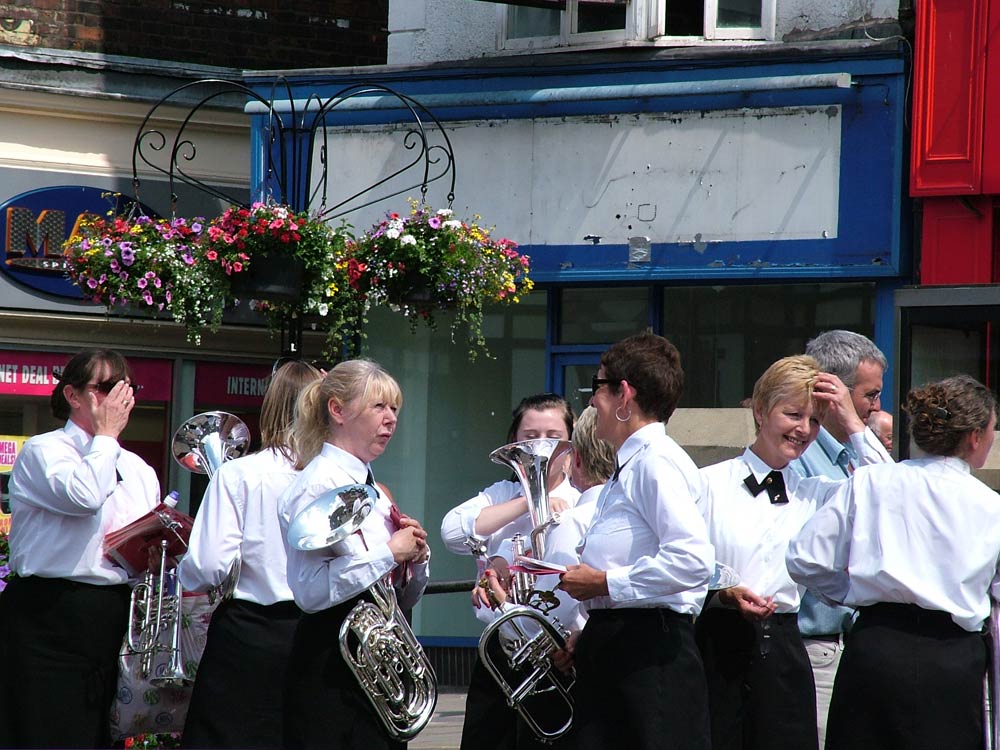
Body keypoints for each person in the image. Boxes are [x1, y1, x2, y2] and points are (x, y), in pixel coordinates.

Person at [786, 374, 1000, 750]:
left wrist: (853, 592)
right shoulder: (990, 506)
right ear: (975, 437)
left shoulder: (871, 481)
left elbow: (804, 558)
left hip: (876, 645)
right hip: (951, 658)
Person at [696, 355, 889, 750]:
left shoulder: (817, 493)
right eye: (793, 414)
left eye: (815, 420)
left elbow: (887, 490)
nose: (804, 430)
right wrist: (722, 593)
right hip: (715, 643)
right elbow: (686, 565)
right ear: (762, 412)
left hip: (785, 649)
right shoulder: (707, 483)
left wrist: (852, 421)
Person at [558, 332, 716, 750]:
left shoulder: (655, 462)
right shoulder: (633, 464)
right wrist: (596, 627)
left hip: (650, 656)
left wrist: (605, 584)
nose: (592, 402)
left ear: (623, 394)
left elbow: (693, 560)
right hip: (628, 647)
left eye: (597, 388)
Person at [0, 349, 157, 749]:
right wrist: (105, 437)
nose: (121, 398)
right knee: (44, 732)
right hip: (48, 614)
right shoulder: (44, 450)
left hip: (111, 612)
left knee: (99, 735)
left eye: (127, 388)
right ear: (72, 395)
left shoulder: (139, 468)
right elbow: (83, 496)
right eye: (106, 388)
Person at [276, 359, 430, 750]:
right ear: (338, 410)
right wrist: (388, 553)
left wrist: (415, 558)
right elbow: (309, 593)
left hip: (372, 664)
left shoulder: (370, 487)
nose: (391, 419)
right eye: (379, 407)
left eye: (394, 409)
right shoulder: (317, 484)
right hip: (333, 666)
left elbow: (401, 596)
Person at [178, 359, 322, 749]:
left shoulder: (237, 474)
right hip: (318, 633)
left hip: (248, 635)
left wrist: (182, 568)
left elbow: (208, 567)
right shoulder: (335, 478)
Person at [441, 392, 579, 750]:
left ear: (571, 441)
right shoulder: (502, 493)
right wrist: (531, 501)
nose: (540, 445)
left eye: (552, 435)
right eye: (529, 435)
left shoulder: (585, 497)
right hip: (503, 653)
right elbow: (452, 532)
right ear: (513, 442)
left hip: (563, 654)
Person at [474, 406, 616, 745]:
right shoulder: (617, 514)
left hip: (568, 679)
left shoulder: (574, 521)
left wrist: (501, 604)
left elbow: (548, 623)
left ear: (575, 459)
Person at [789, 329, 891, 749]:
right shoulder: (800, 456)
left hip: (855, 645)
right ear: (835, 393)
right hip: (816, 648)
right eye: (870, 395)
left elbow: (893, 494)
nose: (876, 406)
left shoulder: (850, 453)